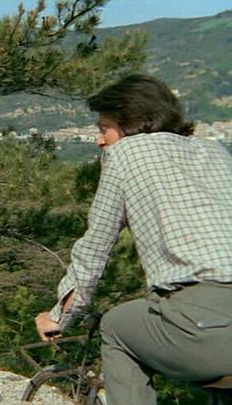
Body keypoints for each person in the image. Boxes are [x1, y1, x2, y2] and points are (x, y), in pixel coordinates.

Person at [34, 74, 232, 405]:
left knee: (116, 327)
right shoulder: (215, 150)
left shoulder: (125, 154)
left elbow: (93, 252)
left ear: (133, 125)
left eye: (104, 129)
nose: (99, 140)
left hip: (204, 323)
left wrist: (58, 316)